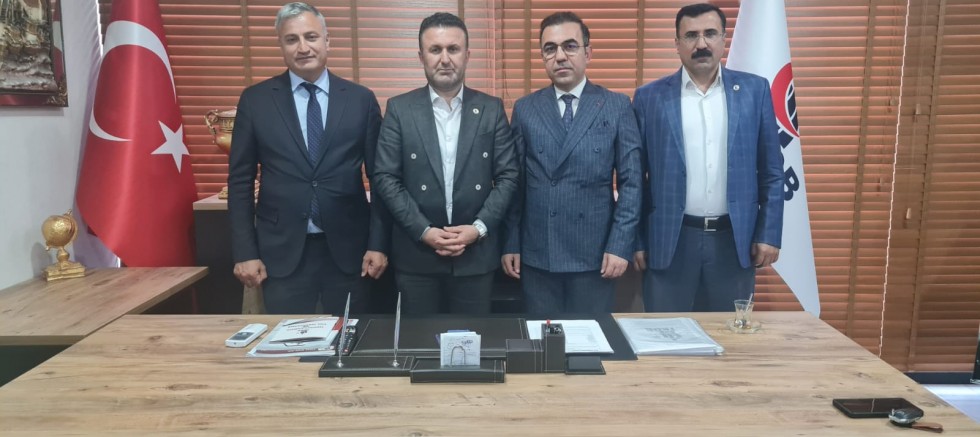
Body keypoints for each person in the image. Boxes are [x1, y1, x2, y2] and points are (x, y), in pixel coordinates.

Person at [228, 2, 389, 314]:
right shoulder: (256, 101)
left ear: (327, 41)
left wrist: (378, 244)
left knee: (351, 337)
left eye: (311, 37)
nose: (303, 47)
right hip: (281, 252)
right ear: (281, 45)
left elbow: (380, 179)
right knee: (287, 338)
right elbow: (240, 181)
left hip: (350, 252)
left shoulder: (361, 100)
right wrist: (245, 251)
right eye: (292, 39)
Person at [632, 3, 783, 312]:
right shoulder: (649, 97)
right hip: (669, 242)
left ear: (723, 38)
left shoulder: (754, 91)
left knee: (728, 336)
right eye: (691, 35)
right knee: (665, 333)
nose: (701, 44)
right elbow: (635, 177)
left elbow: (772, 171)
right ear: (677, 43)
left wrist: (769, 233)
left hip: (734, 242)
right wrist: (637, 241)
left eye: (710, 33)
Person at [371, 12, 519, 314]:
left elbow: (508, 176)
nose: (445, 59)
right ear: (421, 57)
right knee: (419, 340)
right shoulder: (399, 109)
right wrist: (424, 230)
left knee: (472, 339)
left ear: (467, 55)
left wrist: (478, 228)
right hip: (416, 255)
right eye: (435, 49)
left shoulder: (491, 109)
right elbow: (386, 177)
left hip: (475, 256)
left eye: (453, 49)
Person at [501, 11, 642, 314]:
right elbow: (515, 185)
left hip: (595, 255)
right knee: (541, 340)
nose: (560, 56)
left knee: (591, 339)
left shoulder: (616, 105)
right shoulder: (526, 109)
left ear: (588, 53)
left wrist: (620, 245)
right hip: (539, 254)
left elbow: (632, 184)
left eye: (570, 46)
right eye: (550, 49)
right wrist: (511, 242)